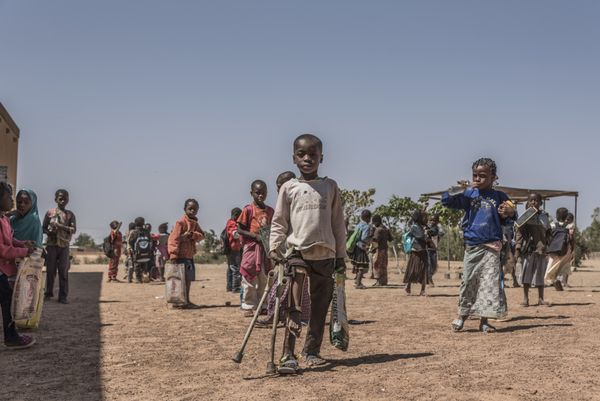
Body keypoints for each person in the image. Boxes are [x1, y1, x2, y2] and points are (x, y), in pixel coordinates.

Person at [269, 133, 347, 373]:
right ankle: (287, 354)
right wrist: (275, 248)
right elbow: (279, 221)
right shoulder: (289, 188)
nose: (307, 159)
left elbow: (337, 224)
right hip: (297, 253)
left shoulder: (329, 187)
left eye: (312, 155)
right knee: (294, 305)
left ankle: (311, 350)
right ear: (294, 158)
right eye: (301, 154)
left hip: (325, 254)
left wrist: (341, 256)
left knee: (321, 304)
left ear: (321, 158)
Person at [442, 158, 515, 333]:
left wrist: (509, 212)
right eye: (475, 175)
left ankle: (484, 321)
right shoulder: (469, 194)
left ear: (493, 177)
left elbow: (511, 216)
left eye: (483, 175)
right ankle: (461, 316)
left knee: (488, 284)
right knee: (468, 281)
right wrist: (459, 189)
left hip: (492, 247)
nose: (478, 179)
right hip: (473, 245)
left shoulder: (500, 197)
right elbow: (446, 201)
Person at [0, 181, 36, 349]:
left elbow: (10, 240)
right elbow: (3, 250)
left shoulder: (4, 219)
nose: (13, 202)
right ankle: (11, 338)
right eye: (9, 197)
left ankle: (11, 337)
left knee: (7, 303)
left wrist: (22, 244)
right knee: (7, 304)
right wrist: (24, 252)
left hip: (3, 271)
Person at [237, 180, 274, 316]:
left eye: (263, 193)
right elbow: (240, 230)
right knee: (249, 278)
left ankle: (263, 305)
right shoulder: (248, 210)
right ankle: (248, 305)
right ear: (251, 193)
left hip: (266, 248)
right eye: (257, 193)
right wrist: (254, 236)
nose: (260, 196)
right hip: (251, 248)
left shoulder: (270, 211)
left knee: (264, 278)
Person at [516, 193, 551, 307]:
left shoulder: (544, 216)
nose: (533, 202)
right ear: (528, 202)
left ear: (540, 203)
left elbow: (548, 232)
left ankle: (541, 299)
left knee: (540, 274)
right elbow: (519, 233)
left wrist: (548, 246)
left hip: (541, 250)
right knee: (527, 273)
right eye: (531, 200)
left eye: (536, 200)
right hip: (529, 249)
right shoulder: (525, 216)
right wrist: (518, 248)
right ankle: (526, 299)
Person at [168, 199, 205, 308]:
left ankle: (185, 301)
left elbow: (202, 235)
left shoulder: (195, 223)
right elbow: (173, 239)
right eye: (190, 209)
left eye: (195, 209)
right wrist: (173, 254)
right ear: (185, 209)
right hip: (180, 257)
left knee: (188, 280)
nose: (192, 211)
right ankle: (178, 301)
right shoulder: (181, 223)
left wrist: (192, 235)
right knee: (179, 280)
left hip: (189, 256)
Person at [43, 189, 76, 304]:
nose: (63, 200)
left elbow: (73, 229)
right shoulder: (50, 213)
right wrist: (49, 232)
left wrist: (61, 226)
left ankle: (63, 296)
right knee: (50, 270)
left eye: (65, 198)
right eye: (60, 198)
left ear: (68, 199)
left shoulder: (70, 214)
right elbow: (43, 228)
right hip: (51, 245)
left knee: (63, 270)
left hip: (64, 246)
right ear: (55, 199)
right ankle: (48, 293)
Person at [403, 210, 430, 296]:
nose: (425, 219)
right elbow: (420, 236)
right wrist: (426, 234)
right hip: (416, 251)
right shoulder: (415, 227)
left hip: (422, 250)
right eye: (423, 217)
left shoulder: (420, 226)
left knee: (423, 271)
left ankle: (422, 290)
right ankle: (408, 286)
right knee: (412, 270)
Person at [544, 207, 572, 291]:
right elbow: (571, 239)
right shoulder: (569, 226)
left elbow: (547, 236)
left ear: (556, 216)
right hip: (565, 250)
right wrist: (572, 249)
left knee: (550, 267)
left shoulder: (552, 225)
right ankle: (555, 280)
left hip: (553, 249)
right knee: (558, 267)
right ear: (566, 216)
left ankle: (553, 280)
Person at [349, 209, 372, 289]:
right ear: (368, 218)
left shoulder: (359, 225)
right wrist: (369, 242)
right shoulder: (367, 226)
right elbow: (364, 237)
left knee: (358, 265)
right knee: (362, 267)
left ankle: (357, 281)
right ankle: (358, 284)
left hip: (356, 247)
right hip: (362, 247)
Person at [127, 217, 153, 283]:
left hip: (137, 252)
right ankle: (145, 277)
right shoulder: (147, 231)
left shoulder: (134, 232)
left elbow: (130, 242)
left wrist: (134, 249)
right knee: (145, 263)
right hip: (146, 251)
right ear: (143, 223)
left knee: (137, 265)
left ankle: (138, 279)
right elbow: (150, 240)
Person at [371, 214, 392, 286]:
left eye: (374, 223)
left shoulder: (378, 230)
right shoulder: (386, 229)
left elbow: (375, 241)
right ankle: (384, 281)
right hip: (385, 249)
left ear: (377, 222)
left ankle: (378, 282)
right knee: (383, 265)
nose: (373, 224)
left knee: (377, 265)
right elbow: (391, 239)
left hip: (379, 249)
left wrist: (371, 249)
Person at [225, 208, 242, 293]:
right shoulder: (232, 223)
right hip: (234, 249)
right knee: (235, 268)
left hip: (231, 249)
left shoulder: (229, 222)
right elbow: (235, 235)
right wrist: (243, 232)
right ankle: (235, 287)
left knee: (231, 268)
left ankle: (229, 287)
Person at [425, 214, 443, 286]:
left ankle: (429, 277)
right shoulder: (427, 228)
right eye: (431, 220)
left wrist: (439, 225)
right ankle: (429, 279)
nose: (432, 222)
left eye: (434, 220)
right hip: (428, 249)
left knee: (434, 266)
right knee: (429, 265)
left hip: (434, 249)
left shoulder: (437, 228)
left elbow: (442, 233)